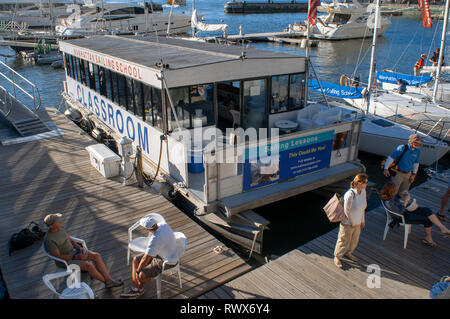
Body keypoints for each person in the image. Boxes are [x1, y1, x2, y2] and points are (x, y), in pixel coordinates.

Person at [43, 213, 123, 288]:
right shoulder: (49, 240)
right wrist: (76, 257)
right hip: (66, 261)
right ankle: (107, 282)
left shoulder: (61, 228)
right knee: (89, 266)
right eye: (58, 221)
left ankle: (109, 279)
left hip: (74, 252)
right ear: (52, 226)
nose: (61, 221)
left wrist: (79, 248)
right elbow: (58, 256)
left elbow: (70, 240)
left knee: (96, 256)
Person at [120, 216, 178, 298]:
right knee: (135, 259)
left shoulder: (155, 239)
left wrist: (138, 271)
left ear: (147, 229)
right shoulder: (163, 224)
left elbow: (145, 260)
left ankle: (140, 290)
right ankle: (135, 286)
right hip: (164, 251)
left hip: (168, 260)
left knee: (142, 274)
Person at [380, 182, 450, 247]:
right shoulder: (389, 202)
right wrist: (406, 202)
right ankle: (428, 239)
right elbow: (398, 214)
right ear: (391, 191)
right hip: (403, 217)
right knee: (428, 219)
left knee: (427, 210)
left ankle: (442, 228)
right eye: (395, 190)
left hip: (405, 211)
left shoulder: (389, 196)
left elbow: (396, 197)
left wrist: (401, 194)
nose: (396, 191)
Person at [334, 173, 368, 268]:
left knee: (354, 240)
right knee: (343, 240)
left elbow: (362, 208)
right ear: (359, 183)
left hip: (357, 222)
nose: (366, 184)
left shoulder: (363, 191)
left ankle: (348, 252)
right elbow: (347, 211)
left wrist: (362, 220)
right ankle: (337, 256)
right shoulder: (350, 194)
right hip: (348, 223)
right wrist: (353, 223)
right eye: (365, 182)